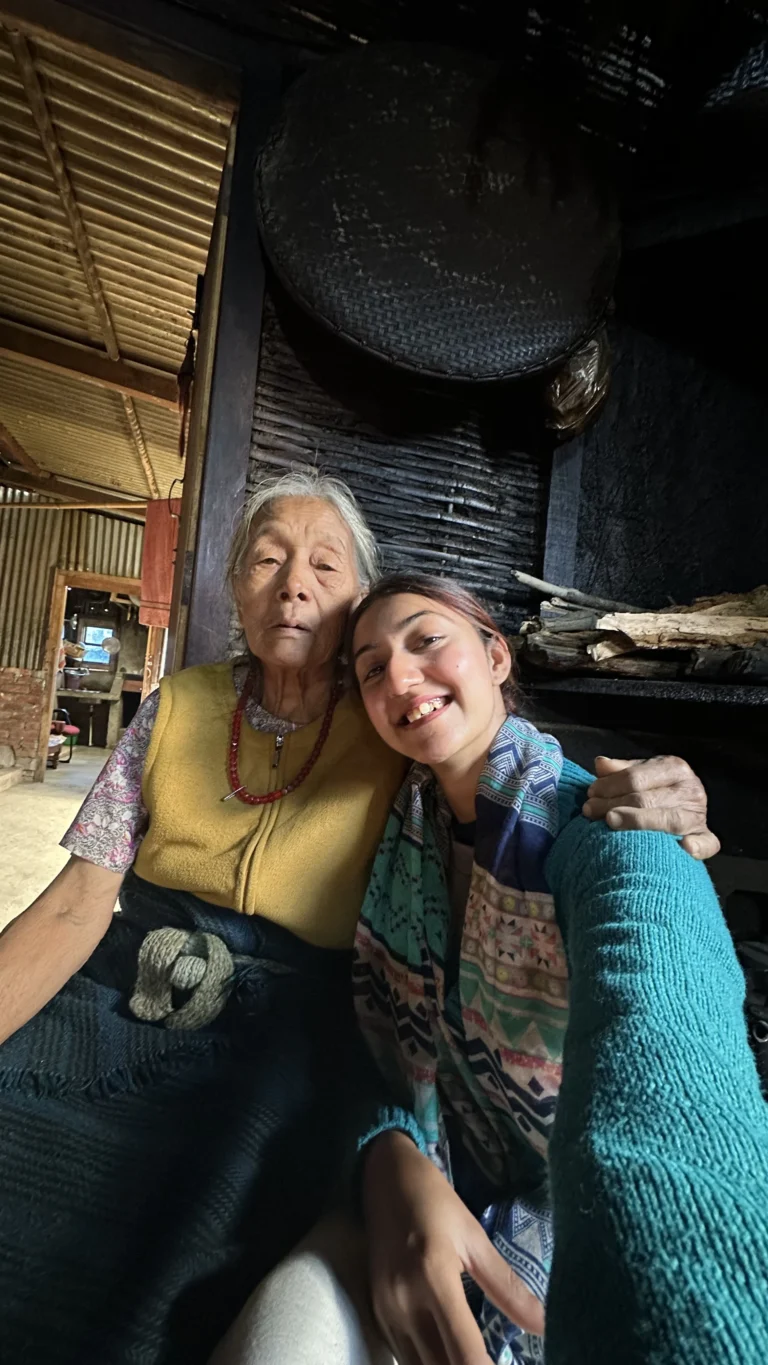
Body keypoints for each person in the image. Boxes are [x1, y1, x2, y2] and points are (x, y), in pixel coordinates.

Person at [0, 473, 716, 1365]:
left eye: (324, 567)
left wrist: (653, 799)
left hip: (282, 1038)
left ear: (354, 605)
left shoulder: (391, 724)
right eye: (267, 560)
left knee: (164, 1253)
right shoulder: (174, 708)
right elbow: (75, 904)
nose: (293, 585)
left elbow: (509, 772)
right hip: (124, 989)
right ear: (236, 587)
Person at [348, 573, 768, 1365]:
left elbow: (662, 1015)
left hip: (568, 1208)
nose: (399, 675)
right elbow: (361, 1046)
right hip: (442, 1170)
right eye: (371, 668)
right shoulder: (402, 833)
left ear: (496, 656)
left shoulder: (603, 822)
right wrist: (388, 1151)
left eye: (426, 639)